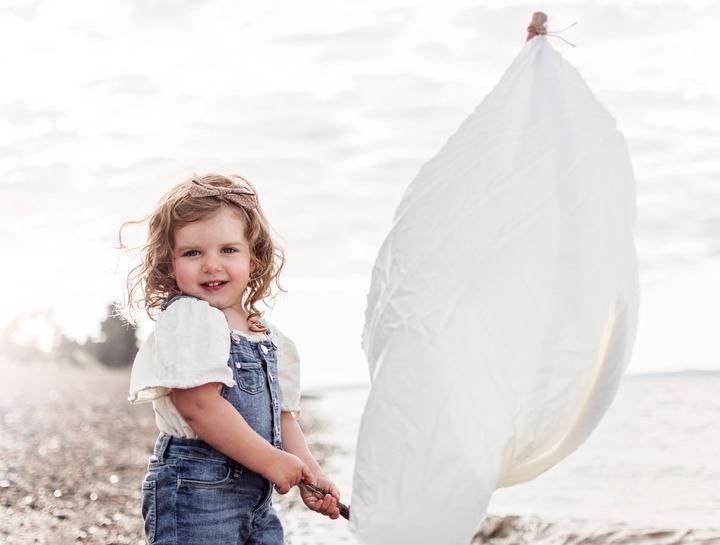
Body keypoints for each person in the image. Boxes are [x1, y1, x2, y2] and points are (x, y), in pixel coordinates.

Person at [124, 173, 341, 544]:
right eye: (192, 253)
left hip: (256, 498)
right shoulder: (189, 317)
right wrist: (271, 461)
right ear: (170, 264)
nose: (212, 264)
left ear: (253, 259)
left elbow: (282, 417)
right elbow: (198, 405)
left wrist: (312, 475)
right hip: (197, 493)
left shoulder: (268, 338)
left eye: (228, 250)